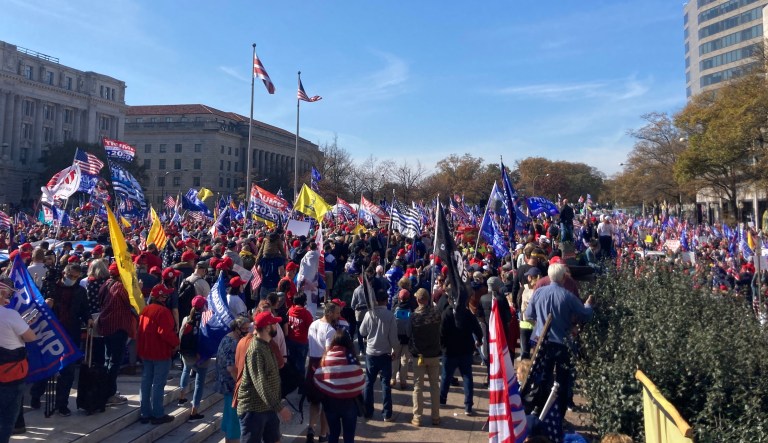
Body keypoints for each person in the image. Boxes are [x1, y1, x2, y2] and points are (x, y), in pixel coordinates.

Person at [524, 263, 594, 414]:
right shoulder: (567, 296)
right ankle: (559, 415)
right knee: (562, 381)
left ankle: (539, 409)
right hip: (563, 343)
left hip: (543, 341)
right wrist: (588, 305)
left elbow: (528, 314)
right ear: (563, 277)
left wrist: (541, 319)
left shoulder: (538, 293)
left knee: (543, 377)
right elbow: (585, 314)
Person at [30, 264, 90, 416]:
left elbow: (84, 309)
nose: (73, 279)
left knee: (68, 370)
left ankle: (61, 403)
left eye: (76, 277)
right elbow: (36, 306)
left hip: (70, 333)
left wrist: (88, 318)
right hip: (50, 332)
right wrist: (46, 303)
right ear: (64, 273)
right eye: (71, 276)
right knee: (46, 365)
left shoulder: (80, 291)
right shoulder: (51, 287)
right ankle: (36, 394)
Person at [236, 311, 292, 443]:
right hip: (253, 410)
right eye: (274, 324)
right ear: (267, 327)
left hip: (267, 407)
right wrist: (279, 407)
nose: (277, 326)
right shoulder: (255, 349)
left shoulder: (266, 345)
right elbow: (260, 382)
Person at [0, 277, 37, 442]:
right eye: (8, 293)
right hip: (10, 373)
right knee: (7, 418)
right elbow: (30, 337)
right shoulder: (10, 315)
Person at [137, 283, 179, 425]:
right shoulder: (163, 312)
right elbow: (165, 332)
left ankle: (145, 413)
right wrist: (176, 343)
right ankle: (158, 414)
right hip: (160, 352)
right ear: (162, 296)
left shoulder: (145, 310)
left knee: (146, 381)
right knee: (158, 384)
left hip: (145, 351)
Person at [97, 263, 139, 405]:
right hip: (118, 327)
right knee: (114, 361)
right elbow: (130, 303)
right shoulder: (120, 287)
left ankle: (107, 390)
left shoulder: (105, 284)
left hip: (107, 327)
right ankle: (110, 394)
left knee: (109, 360)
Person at [314, 330, 365, 443]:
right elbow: (361, 380)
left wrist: (329, 389)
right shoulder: (351, 358)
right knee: (349, 437)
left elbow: (317, 377)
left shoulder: (326, 357)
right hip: (350, 404)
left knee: (333, 434)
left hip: (331, 403)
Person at [439, 290, 483, 416]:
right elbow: (477, 329)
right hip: (465, 350)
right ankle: (468, 405)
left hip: (451, 351)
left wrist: (443, 348)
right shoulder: (467, 314)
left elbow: (441, 333)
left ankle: (442, 399)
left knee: (446, 376)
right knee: (467, 377)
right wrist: (479, 340)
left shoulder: (447, 314)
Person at [359, 286, 398, 422]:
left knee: (369, 383)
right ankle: (387, 413)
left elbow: (362, 331)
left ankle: (368, 412)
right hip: (385, 354)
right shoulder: (390, 315)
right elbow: (394, 338)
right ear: (386, 300)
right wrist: (396, 351)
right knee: (385, 384)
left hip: (371, 353)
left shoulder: (369, 314)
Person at [306, 301, 340, 442]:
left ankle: (311, 429)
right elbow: (327, 352)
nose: (339, 315)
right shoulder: (330, 331)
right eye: (337, 312)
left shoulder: (313, 324)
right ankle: (323, 434)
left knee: (314, 402)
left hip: (311, 365)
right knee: (326, 403)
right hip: (323, 366)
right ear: (330, 313)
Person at [408, 288, 442, 427]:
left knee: (418, 387)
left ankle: (417, 417)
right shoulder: (436, 313)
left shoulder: (414, 316)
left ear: (419, 299)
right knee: (434, 386)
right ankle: (436, 416)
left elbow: (409, 334)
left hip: (419, 355)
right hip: (434, 353)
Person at [216, 316, 251, 443]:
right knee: (234, 421)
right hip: (231, 386)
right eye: (244, 329)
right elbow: (231, 369)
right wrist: (241, 387)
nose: (247, 331)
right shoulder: (232, 343)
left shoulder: (228, 338)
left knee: (230, 418)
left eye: (248, 328)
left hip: (226, 384)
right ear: (236, 329)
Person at [177, 295, 211, 422]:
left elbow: (181, 334)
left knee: (186, 370)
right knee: (199, 383)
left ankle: (181, 397)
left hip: (187, 353)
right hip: (201, 355)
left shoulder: (186, 319)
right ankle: (194, 411)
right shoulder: (207, 319)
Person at [285, 292, 313, 377]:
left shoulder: (290, 310)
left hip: (290, 340)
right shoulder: (306, 313)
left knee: (292, 361)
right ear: (304, 301)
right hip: (302, 342)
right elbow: (310, 327)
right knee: (301, 364)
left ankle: (292, 380)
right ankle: (300, 383)